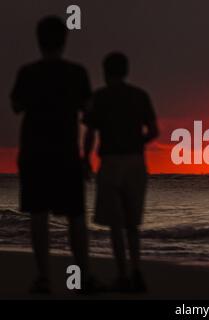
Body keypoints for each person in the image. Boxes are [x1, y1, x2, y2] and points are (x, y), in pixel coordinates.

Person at [10, 16, 92, 293]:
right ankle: (83, 275)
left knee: (38, 214)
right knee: (76, 215)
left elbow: (16, 105)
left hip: (35, 152)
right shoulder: (76, 73)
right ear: (64, 40)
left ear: (38, 40)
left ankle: (44, 276)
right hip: (66, 151)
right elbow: (88, 111)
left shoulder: (28, 73)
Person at [83, 52, 159, 292]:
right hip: (136, 161)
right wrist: (137, 141)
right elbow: (154, 131)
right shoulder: (139, 96)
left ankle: (123, 275)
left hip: (111, 161)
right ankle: (136, 271)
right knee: (132, 223)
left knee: (116, 223)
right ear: (126, 71)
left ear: (106, 72)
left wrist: (85, 159)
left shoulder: (100, 97)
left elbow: (90, 132)